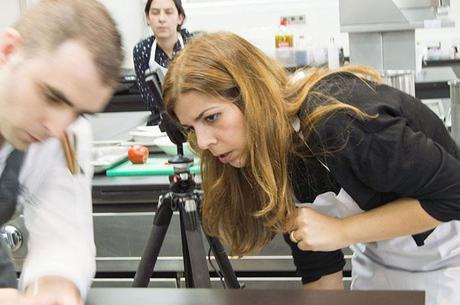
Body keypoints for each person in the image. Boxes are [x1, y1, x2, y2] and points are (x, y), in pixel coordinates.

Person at [162, 32, 460, 305]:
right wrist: (336, 235)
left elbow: (453, 195)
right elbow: (319, 265)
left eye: (212, 117)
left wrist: (343, 231)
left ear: (252, 96)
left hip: (450, 266)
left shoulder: (343, 123)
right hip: (380, 262)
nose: (203, 142)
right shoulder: (266, 150)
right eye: (191, 128)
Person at [0, 0, 123, 304]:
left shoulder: (67, 133)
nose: (57, 129)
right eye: (52, 97)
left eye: (80, 112)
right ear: (7, 51)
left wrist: (54, 286)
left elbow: (63, 232)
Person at [133, 0, 192, 125]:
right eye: (155, 13)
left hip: (192, 116)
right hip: (161, 119)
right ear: (148, 18)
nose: (161, 19)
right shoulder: (142, 50)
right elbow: (150, 100)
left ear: (180, 18)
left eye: (168, 12)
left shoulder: (193, 44)